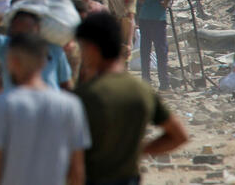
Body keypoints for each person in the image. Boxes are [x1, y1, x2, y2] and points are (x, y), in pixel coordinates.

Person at [75, 13, 189, 185]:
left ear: (92, 48)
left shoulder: (85, 95)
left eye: (82, 48)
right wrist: (138, 150)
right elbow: (179, 136)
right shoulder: (141, 90)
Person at [0, 32, 90, 185]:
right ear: (44, 62)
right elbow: (77, 169)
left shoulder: (0, 105)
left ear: (12, 62)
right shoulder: (71, 106)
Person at [128, 0, 173, 89]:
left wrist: (142, 0)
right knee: (161, 50)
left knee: (145, 49)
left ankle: (146, 81)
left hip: (145, 15)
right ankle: (164, 83)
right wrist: (165, 4)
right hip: (158, 17)